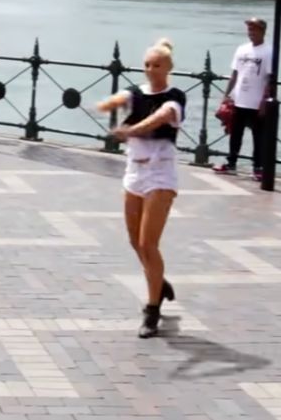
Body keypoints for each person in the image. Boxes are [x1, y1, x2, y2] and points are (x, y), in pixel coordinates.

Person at [96, 39, 184, 339]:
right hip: (134, 172)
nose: (150, 70)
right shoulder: (135, 93)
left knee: (148, 243)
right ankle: (159, 282)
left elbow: (159, 118)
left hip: (160, 173)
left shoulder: (175, 97)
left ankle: (152, 309)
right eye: (147, 64)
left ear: (169, 67)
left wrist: (130, 130)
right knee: (134, 242)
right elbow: (119, 99)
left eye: (157, 65)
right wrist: (109, 104)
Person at [213, 18, 272, 181]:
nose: (251, 33)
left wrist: (264, 101)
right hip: (239, 99)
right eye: (249, 30)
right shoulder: (241, 49)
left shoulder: (269, 51)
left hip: (257, 102)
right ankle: (231, 163)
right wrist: (226, 95)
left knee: (258, 136)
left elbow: (269, 79)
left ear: (262, 31)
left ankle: (258, 167)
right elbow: (235, 74)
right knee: (235, 134)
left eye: (254, 30)